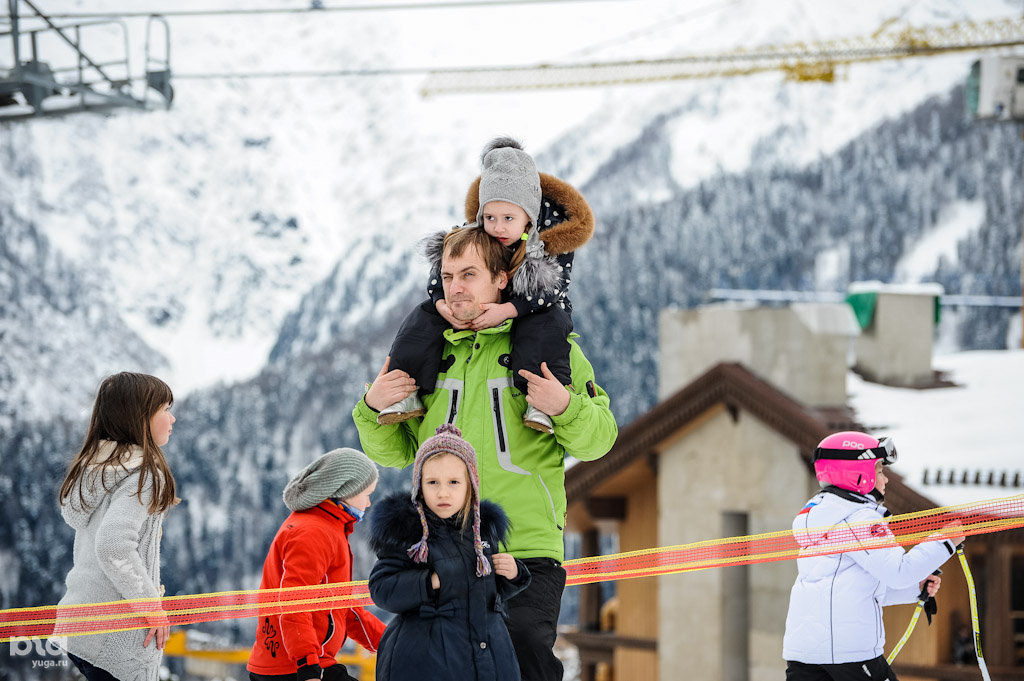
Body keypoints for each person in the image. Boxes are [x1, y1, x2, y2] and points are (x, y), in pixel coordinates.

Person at [353, 224, 617, 681]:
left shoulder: (546, 347)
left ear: (501, 279)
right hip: (444, 548)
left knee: (526, 659)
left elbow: (599, 440)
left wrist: (566, 407)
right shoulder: (430, 350)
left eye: (469, 274)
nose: (455, 286)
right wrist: (372, 409)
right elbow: (398, 452)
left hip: (525, 549)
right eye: (448, 275)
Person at [379, 136, 594, 434]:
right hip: (483, 303)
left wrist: (508, 310)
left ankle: (542, 400)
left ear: (528, 218)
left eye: (508, 218)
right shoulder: (475, 236)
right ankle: (405, 388)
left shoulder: (551, 244)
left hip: (536, 307)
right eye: (490, 217)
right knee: (422, 318)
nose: (498, 227)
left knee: (544, 329)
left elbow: (552, 289)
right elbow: (442, 269)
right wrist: (441, 304)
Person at [782, 431, 966, 681]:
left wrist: (915, 588)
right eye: (879, 470)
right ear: (857, 474)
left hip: (804, 657)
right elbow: (899, 572)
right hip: (850, 656)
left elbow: (854, 589)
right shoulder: (858, 518)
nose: (885, 479)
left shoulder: (821, 517)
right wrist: (945, 541)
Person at [368, 423, 530, 681]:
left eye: (454, 482)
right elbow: (382, 588)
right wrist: (429, 582)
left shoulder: (482, 532)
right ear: (419, 485)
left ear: (470, 485)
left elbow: (484, 591)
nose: (443, 492)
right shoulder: (410, 534)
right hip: (427, 661)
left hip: (489, 653)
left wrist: (513, 574)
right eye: (433, 482)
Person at [54, 372, 178, 681]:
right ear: (140, 418)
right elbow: (114, 546)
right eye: (165, 409)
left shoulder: (97, 470)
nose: (172, 418)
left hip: (80, 626)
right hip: (116, 638)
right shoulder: (144, 475)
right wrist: (152, 607)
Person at [247, 448, 387, 681]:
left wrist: (390, 643)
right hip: (295, 667)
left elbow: (343, 607)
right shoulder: (313, 532)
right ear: (346, 490)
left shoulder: (328, 527)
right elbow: (295, 601)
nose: (369, 502)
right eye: (367, 494)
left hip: (305, 661)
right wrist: (307, 666)